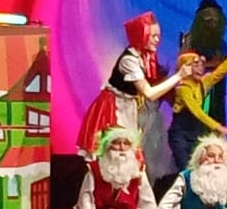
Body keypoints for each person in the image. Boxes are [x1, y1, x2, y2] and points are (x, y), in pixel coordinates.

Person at [75, 11, 186, 173]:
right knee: (114, 153)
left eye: (158, 36)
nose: (157, 40)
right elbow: (149, 93)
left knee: (131, 154)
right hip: (114, 109)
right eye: (153, 36)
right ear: (141, 35)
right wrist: (179, 76)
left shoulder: (145, 57)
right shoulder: (129, 61)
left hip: (128, 107)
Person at [167, 31, 227, 171]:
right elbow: (197, 112)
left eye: (201, 65)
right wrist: (218, 127)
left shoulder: (203, 82)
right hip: (180, 136)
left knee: (199, 170)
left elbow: (221, 71)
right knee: (186, 171)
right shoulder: (183, 89)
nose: (201, 68)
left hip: (195, 134)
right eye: (196, 65)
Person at [76, 126, 161, 209]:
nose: (121, 148)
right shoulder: (95, 169)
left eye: (126, 144)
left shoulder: (137, 170)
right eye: (116, 143)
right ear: (107, 146)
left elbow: (146, 201)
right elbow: (86, 201)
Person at [180, 0, 227, 124]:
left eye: (215, 19)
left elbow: (225, 62)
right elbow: (184, 63)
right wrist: (209, 64)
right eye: (208, 19)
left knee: (216, 119)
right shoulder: (191, 39)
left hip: (216, 89)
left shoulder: (220, 42)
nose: (212, 22)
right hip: (196, 89)